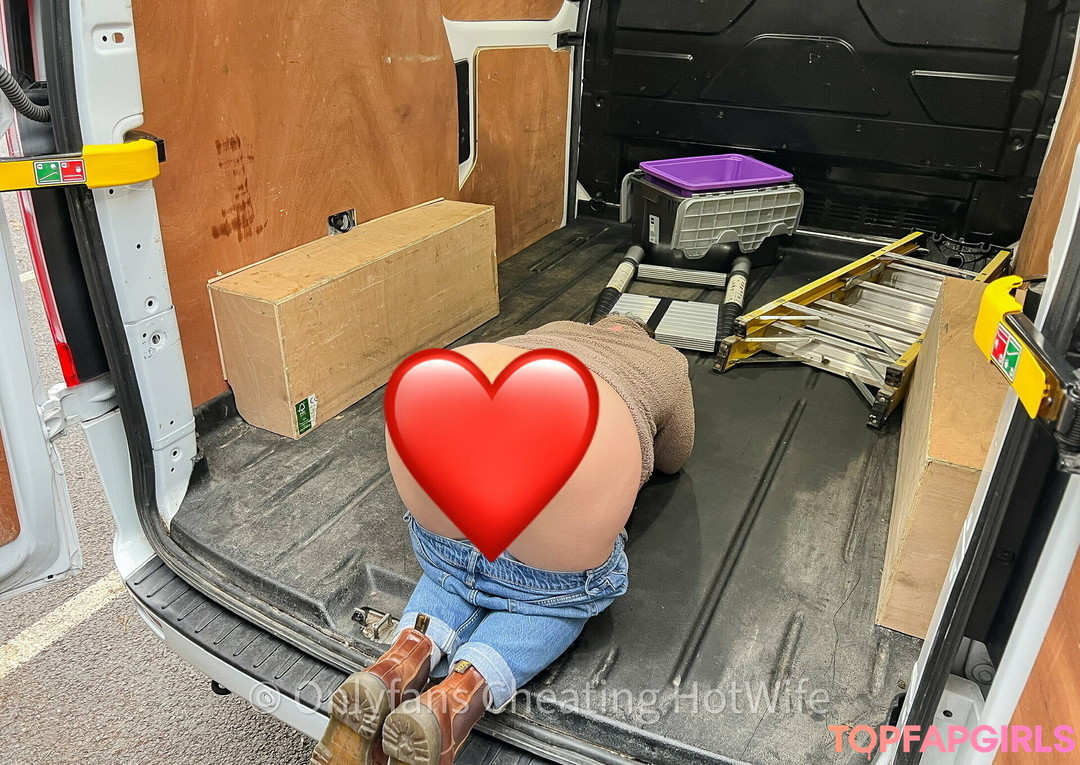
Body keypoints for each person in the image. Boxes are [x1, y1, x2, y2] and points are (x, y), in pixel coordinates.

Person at [312, 314, 695, 765]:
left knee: (453, 571)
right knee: (548, 603)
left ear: (601, 324)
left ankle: (400, 660)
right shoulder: (664, 361)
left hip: (441, 426)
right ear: (642, 334)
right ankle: (455, 698)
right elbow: (675, 457)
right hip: (564, 462)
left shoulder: (556, 327)